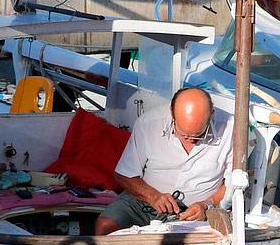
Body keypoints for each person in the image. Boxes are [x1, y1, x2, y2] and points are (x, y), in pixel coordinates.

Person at [95, 87, 233, 235]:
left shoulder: (230, 128)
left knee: (175, 241)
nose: (191, 141)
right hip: (144, 200)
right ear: (171, 112)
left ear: (211, 115)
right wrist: (153, 196)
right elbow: (123, 174)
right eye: (183, 134)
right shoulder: (149, 123)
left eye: (199, 135)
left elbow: (233, 182)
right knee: (105, 226)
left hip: (196, 211)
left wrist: (207, 205)